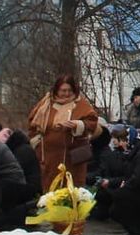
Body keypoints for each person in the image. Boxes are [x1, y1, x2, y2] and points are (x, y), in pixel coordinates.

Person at [27, 76, 100, 206]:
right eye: (63, 90)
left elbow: (92, 122)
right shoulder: (46, 104)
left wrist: (77, 125)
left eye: (69, 90)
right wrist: (38, 144)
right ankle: (53, 220)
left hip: (73, 158)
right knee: (51, 190)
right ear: (56, 90)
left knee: (72, 190)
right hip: (50, 157)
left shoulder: (81, 104)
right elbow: (33, 124)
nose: (66, 94)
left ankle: (72, 220)